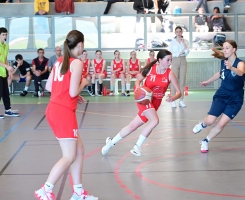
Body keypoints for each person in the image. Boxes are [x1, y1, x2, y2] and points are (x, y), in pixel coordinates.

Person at [34, 30, 98, 200]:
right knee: (69, 156)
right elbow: (71, 92)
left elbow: (49, 87)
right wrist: (84, 82)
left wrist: (72, 94)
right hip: (63, 113)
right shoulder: (76, 63)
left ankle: (78, 192)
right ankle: (45, 190)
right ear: (81, 45)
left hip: (55, 109)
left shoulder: (59, 61)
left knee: (79, 150)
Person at [101, 49, 181, 157]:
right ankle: (137, 146)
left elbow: (179, 92)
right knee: (155, 120)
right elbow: (138, 80)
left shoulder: (170, 74)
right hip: (144, 99)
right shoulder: (150, 70)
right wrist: (138, 87)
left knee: (132, 126)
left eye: (171, 60)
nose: (170, 63)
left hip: (155, 104)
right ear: (160, 60)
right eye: (168, 60)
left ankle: (110, 143)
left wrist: (174, 97)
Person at [193, 40, 245, 153]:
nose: (224, 50)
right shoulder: (224, 62)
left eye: (227, 48)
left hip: (236, 98)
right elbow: (219, 73)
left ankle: (206, 140)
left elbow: (241, 72)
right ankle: (203, 124)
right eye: (224, 48)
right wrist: (208, 81)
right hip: (222, 95)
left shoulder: (240, 63)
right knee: (210, 121)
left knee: (221, 124)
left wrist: (231, 67)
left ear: (234, 49)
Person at [0, 27, 20, 119]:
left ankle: (8, 110)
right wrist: (7, 66)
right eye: (3, 34)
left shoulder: (6, 46)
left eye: (6, 34)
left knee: (5, 92)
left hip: (3, 72)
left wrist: (9, 71)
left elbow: (5, 59)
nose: (5, 36)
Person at [168, 26, 189, 108]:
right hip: (175, 61)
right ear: (175, 33)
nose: (178, 33)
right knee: (173, 81)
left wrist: (183, 43)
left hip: (183, 61)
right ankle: (173, 100)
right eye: (177, 31)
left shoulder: (186, 41)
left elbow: (187, 52)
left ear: (182, 32)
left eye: (180, 31)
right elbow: (171, 53)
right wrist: (179, 53)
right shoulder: (172, 42)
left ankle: (181, 100)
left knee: (182, 82)